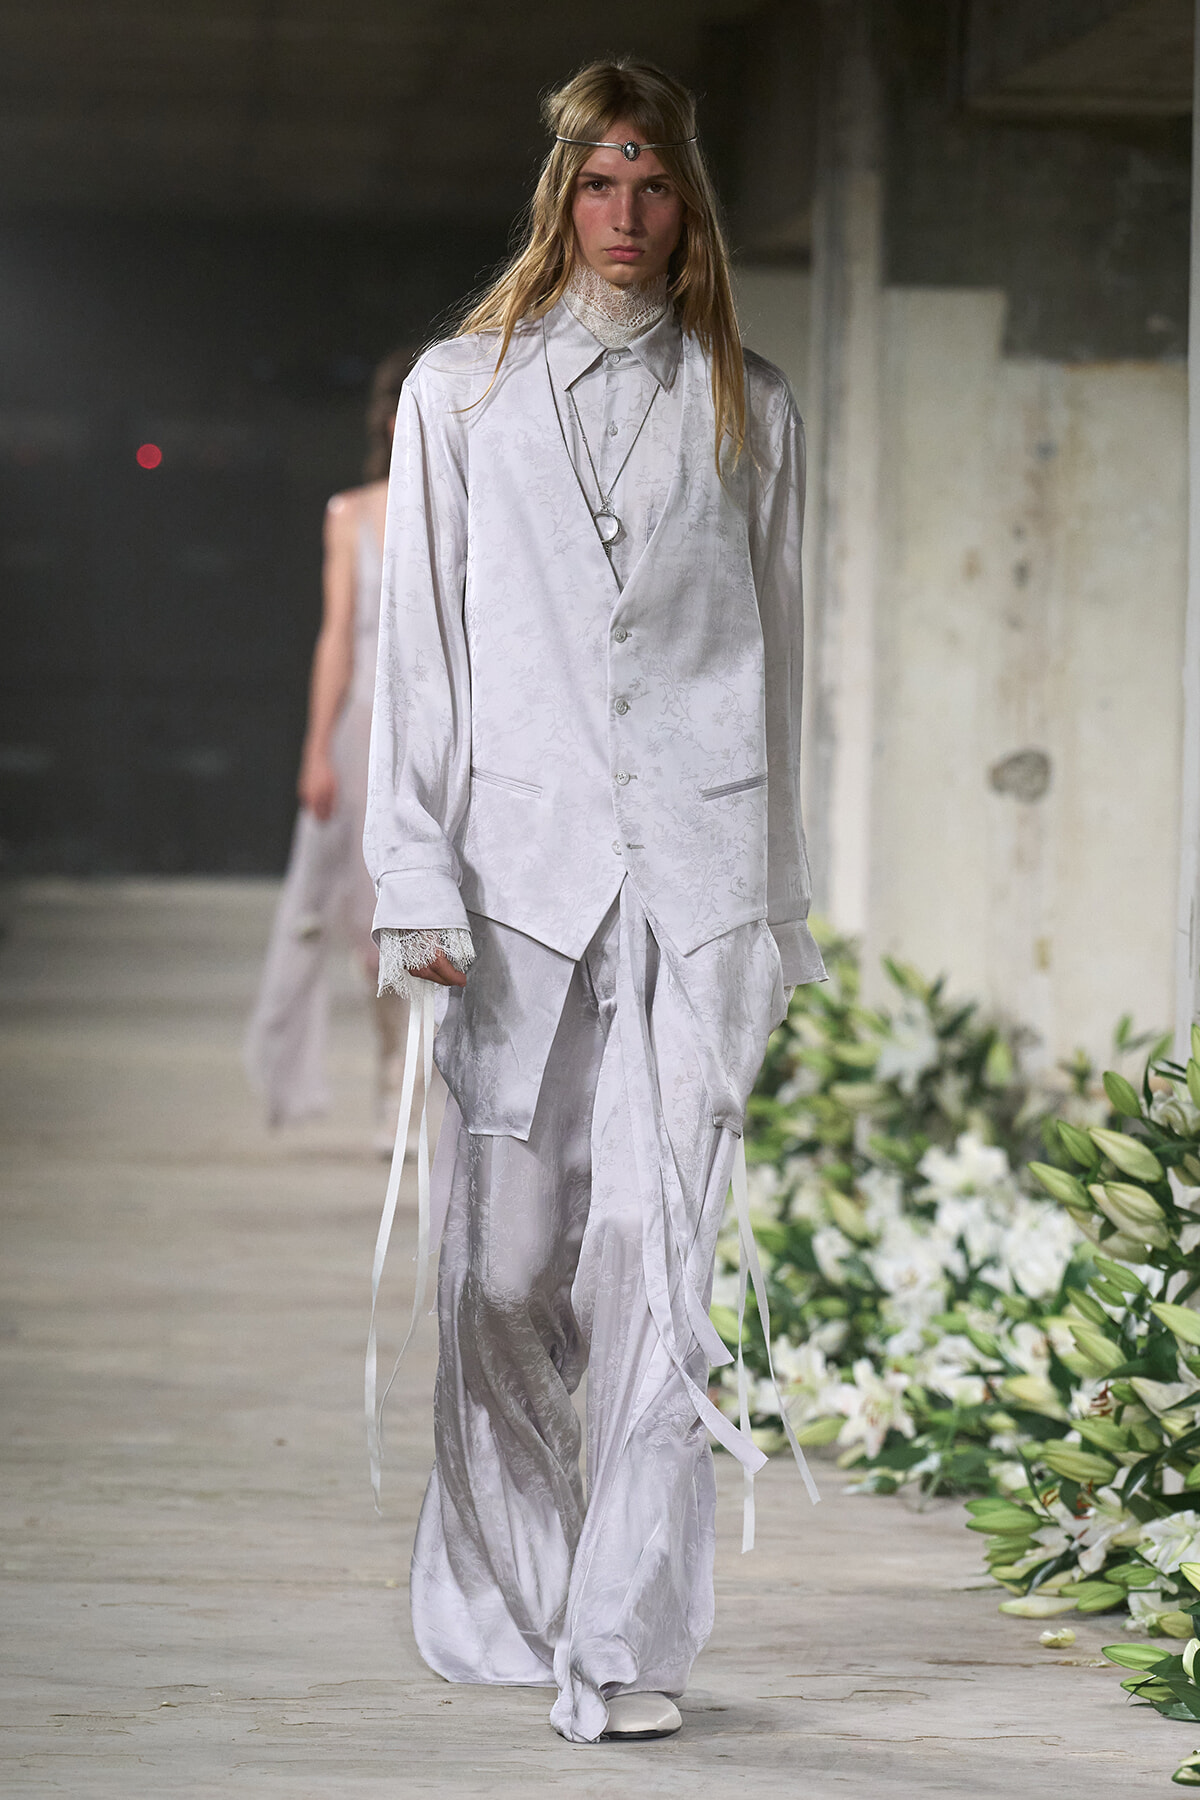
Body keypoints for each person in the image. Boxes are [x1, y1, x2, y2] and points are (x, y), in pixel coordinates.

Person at [364, 59, 825, 1745]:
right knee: (508, 1273)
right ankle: (508, 1577)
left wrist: (775, 910)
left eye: (656, 190)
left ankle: (621, 1641)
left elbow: (785, 662)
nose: (627, 221)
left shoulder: (750, 405)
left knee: (658, 1263)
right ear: (560, 198)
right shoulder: (460, 395)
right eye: (599, 187)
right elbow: (421, 654)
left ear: (690, 205)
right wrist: (411, 871)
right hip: (517, 881)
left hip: (695, 892)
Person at [245, 349, 415, 1150]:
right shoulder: (349, 514)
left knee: (436, 912)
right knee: (366, 919)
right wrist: (316, 750)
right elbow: (337, 638)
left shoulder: (478, 507)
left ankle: (420, 1090)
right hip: (364, 730)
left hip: (448, 729)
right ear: (387, 421)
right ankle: (393, 1072)